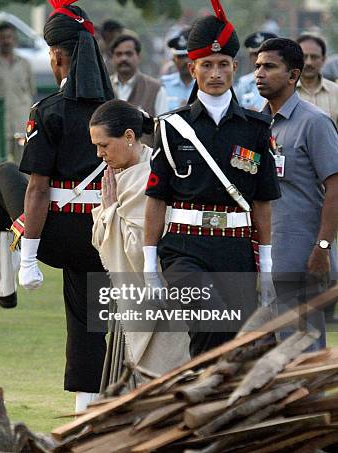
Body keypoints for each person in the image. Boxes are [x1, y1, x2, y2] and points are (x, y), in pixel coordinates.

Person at [0, 0, 114, 411]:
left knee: (0, 175)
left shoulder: (49, 110)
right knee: (88, 321)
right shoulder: (119, 111)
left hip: (58, 233)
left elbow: (38, 189)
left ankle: (1, 276)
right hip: (105, 236)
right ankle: (85, 407)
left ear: (57, 57)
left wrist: (29, 259)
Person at [143, 0, 281, 357]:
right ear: (193, 68)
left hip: (236, 248)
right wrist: (148, 264)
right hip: (183, 249)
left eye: (223, 64)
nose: (216, 72)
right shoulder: (172, 127)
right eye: (207, 65)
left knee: (235, 342)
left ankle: (209, 404)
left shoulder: (256, 128)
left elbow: (262, 201)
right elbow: (156, 199)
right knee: (211, 321)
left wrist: (265, 267)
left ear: (235, 66)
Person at [89, 100, 190, 378]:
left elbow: (138, 249)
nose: (99, 154)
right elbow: (101, 240)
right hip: (128, 298)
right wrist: (109, 215)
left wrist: (109, 212)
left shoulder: (151, 173)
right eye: (96, 146)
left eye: (104, 145)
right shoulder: (118, 174)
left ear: (130, 137)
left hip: (158, 294)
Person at [256, 38, 338, 347]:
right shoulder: (259, 124)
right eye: (258, 66)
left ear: (293, 76)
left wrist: (323, 247)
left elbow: (335, 186)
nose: (259, 73)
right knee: (267, 350)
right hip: (267, 253)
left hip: (302, 255)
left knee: (301, 349)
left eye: (270, 67)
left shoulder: (313, 122)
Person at [0, 22, 35, 164]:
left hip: (22, 123)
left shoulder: (25, 64)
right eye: (2, 37)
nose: (6, 41)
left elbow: (31, 92)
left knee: (25, 167)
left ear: (14, 38)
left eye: (9, 37)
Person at [110, 34, 167, 144]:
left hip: (145, 158)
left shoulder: (155, 89)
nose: (123, 58)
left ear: (138, 56)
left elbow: (163, 131)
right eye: (119, 54)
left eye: (128, 54)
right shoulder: (104, 88)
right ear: (112, 58)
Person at [295, 34, 338, 125]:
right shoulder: (282, 91)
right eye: (304, 57)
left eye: (314, 57)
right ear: (295, 59)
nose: (309, 62)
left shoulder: (336, 92)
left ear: (323, 59)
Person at [235, 31, 277, 111]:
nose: (259, 57)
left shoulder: (284, 81)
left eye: (263, 53)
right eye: (255, 54)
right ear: (250, 56)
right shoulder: (243, 83)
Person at [161, 29, 195, 112]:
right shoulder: (162, 85)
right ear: (173, 60)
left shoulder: (206, 85)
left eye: (188, 56)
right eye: (181, 57)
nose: (185, 61)